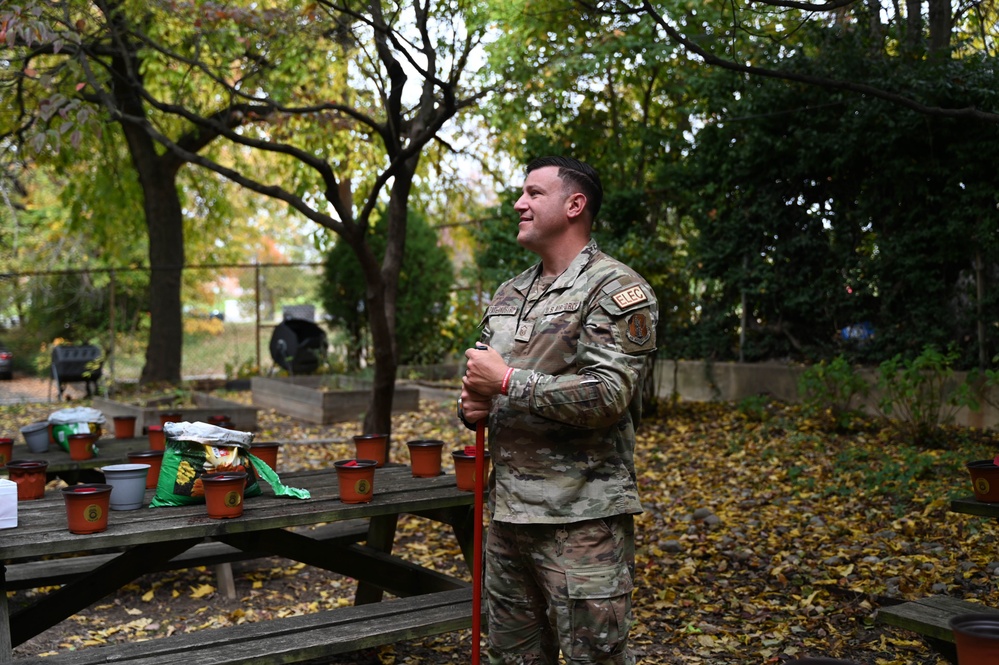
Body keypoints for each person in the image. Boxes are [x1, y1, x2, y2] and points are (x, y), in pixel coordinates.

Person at [459, 156, 659, 664]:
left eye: (533, 193)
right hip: (507, 520)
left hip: (580, 523)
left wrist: (504, 382)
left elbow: (608, 396)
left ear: (575, 205)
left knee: (596, 657)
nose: (518, 203)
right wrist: (472, 404)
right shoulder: (510, 293)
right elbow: (482, 383)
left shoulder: (615, 289)